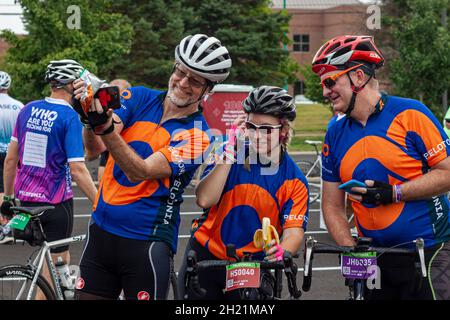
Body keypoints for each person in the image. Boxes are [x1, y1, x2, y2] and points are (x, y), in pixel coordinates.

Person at [72, 34, 232, 300]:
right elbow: (94, 149)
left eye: (195, 80)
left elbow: (141, 171)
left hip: (146, 243)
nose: (183, 83)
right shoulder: (139, 96)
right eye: (181, 72)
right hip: (100, 233)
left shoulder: (198, 135)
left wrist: (104, 127)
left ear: (208, 90)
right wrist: (88, 118)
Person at [312, 35, 450, 300]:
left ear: (359, 78)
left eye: (330, 81)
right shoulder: (335, 134)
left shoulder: (411, 113)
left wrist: (395, 193)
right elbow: (331, 204)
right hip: (373, 258)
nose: (325, 92)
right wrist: (348, 245)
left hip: (429, 251)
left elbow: (447, 173)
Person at [178, 86, 309, 300]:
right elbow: (204, 199)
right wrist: (229, 152)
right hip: (206, 254)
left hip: (251, 264)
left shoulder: (294, 179)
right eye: (251, 126)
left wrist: (281, 250)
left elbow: (294, 232)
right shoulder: (229, 154)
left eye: (266, 128)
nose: (256, 135)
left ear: (283, 131)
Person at [1, 59, 97, 297]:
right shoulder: (69, 117)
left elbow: (11, 160)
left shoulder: (27, 109)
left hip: (24, 200)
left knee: (53, 260)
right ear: (71, 85)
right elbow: (78, 169)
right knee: (56, 262)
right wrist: (100, 201)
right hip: (55, 202)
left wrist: (8, 197)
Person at [0, 71, 23, 242]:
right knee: (12, 189)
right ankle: (15, 227)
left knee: (1, 189)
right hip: (13, 152)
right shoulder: (18, 106)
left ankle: (5, 227)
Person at [96, 79, 131, 183]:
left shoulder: (135, 119)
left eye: (117, 95)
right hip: (111, 173)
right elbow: (102, 158)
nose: (113, 99)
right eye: (109, 93)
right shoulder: (105, 117)